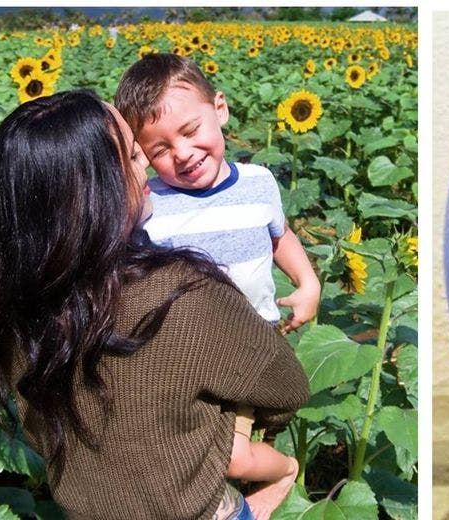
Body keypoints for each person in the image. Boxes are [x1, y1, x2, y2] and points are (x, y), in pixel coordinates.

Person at [0, 89, 309, 520]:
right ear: (92, 192)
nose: (145, 164)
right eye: (130, 155)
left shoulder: (6, 306)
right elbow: (286, 388)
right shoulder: (181, 295)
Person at [113, 53, 320, 493]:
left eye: (191, 132)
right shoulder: (149, 204)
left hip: (251, 345)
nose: (183, 154)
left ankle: (284, 472)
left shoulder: (259, 181)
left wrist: (308, 283)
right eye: (159, 150)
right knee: (184, 453)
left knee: (231, 457)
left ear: (220, 109)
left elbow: (278, 235)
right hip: (179, 358)